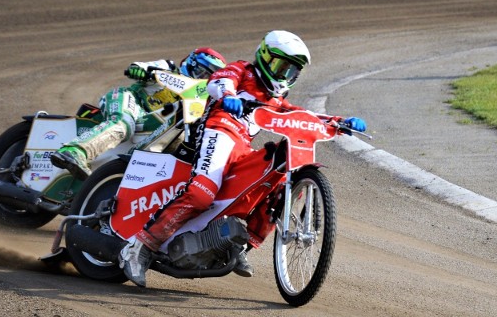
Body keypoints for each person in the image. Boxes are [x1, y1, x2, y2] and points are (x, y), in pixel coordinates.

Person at [119, 30, 367, 287]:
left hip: (242, 146)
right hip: (219, 131)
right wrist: (229, 97)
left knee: (274, 181)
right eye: (280, 67)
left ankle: (239, 244)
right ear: (265, 57)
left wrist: (338, 121)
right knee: (201, 194)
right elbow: (219, 81)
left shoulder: (276, 99)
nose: (284, 75)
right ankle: (140, 247)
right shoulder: (242, 70)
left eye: (291, 72)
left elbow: (300, 114)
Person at [50, 48, 227, 179]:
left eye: (207, 78)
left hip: (152, 127)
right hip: (130, 100)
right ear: (191, 62)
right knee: (123, 124)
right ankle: (74, 151)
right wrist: (142, 70)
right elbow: (139, 67)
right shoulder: (169, 68)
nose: (202, 78)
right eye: (202, 72)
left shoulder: (197, 102)